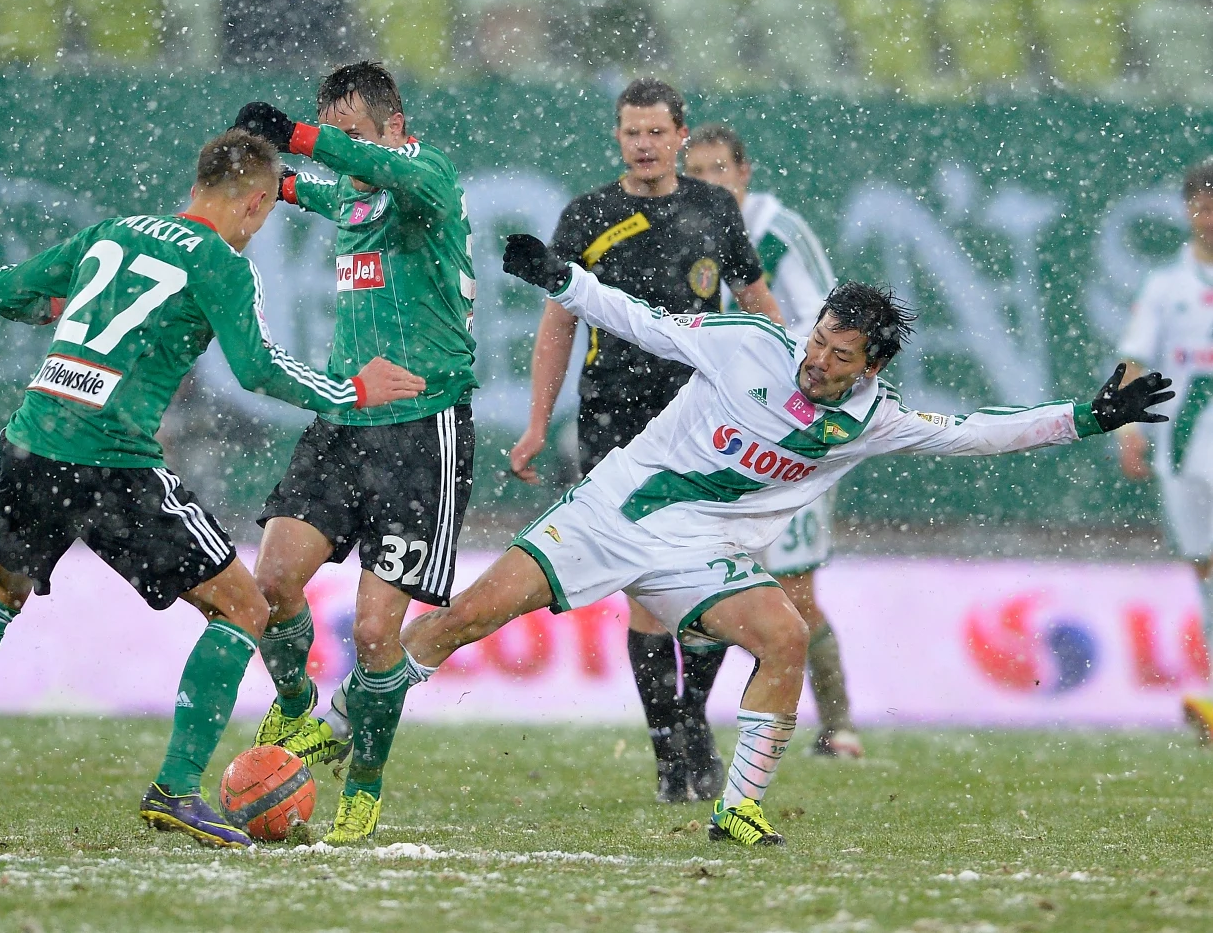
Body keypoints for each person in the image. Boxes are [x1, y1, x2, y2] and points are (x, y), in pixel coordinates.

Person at [324, 233, 1172, 847]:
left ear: (868, 367)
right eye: (817, 342)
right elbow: (645, 321)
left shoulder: (874, 421)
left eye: (838, 357)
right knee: (457, 621)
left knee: (785, 636)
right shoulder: (748, 345)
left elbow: (975, 432)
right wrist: (567, 281)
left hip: (699, 557)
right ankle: (337, 726)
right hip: (612, 514)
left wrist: (1086, 418)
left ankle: (739, 809)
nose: (816, 361)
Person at [0, 130, 425, 850]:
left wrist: (63, 313)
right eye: (263, 215)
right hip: (111, 462)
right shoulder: (219, 264)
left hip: (33, 440)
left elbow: (1, 290)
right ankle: (177, 789)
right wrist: (352, 390)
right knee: (244, 607)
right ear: (257, 202)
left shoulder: (111, 232)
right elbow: (259, 371)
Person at [507, 79, 782, 803]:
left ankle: (691, 717)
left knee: (721, 569)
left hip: (708, 418)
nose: (645, 144)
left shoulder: (714, 209)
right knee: (648, 591)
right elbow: (559, 321)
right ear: (618, 136)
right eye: (632, 132)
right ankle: (670, 754)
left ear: (680, 134)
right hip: (615, 419)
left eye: (657, 132)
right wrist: (539, 423)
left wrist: (786, 391)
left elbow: (756, 303)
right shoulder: (589, 214)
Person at [230, 61, 478, 844]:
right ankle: (302, 714)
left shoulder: (428, 177)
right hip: (347, 417)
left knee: (375, 636)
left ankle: (363, 784)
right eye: (331, 132)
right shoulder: (358, 195)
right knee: (270, 582)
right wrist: (269, 174)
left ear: (395, 128)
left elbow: (362, 167)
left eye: (356, 134)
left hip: (423, 431)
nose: (343, 149)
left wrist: (303, 138)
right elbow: (323, 189)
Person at [678, 122, 861, 764]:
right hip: (718, 436)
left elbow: (837, 323)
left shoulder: (777, 232)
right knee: (702, 578)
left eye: (718, 170)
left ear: (744, 173)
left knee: (795, 591)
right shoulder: (674, 230)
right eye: (695, 172)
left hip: (790, 434)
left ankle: (838, 725)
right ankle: (689, 729)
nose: (707, 184)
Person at [1117, 157, 1213, 744]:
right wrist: (1129, 427)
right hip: (1183, 446)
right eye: (1201, 201)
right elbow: (1135, 359)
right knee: (1203, 566)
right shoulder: (1165, 285)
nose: (1208, 213)